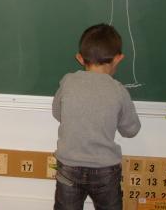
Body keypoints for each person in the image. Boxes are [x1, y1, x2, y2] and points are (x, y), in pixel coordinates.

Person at [52, 24, 141, 210]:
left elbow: (57, 113)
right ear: (118, 59)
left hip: (69, 166)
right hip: (105, 170)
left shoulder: (68, 82)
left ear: (79, 58)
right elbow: (131, 130)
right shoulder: (118, 90)